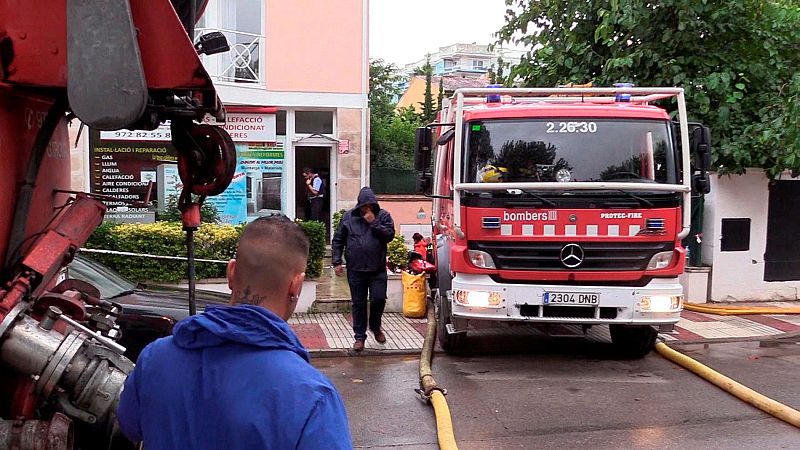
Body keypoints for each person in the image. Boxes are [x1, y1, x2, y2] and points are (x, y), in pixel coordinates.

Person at [117, 216, 352, 450]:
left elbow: (130, 426)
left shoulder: (154, 359)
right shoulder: (312, 395)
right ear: (296, 285)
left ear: (231, 272)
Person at [332, 187, 395, 352]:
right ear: (359, 205)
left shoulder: (383, 216)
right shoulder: (348, 217)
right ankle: (359, 337)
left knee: (378, 299)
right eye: (364, 206)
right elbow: (338, 240)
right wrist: (337, 261)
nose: (367, 209)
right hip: (356, 269)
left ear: (374, 205)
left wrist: (373, 222)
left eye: (370, 206)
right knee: (358, 304)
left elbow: (389, 235)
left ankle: (375, 326)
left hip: (377, 269)